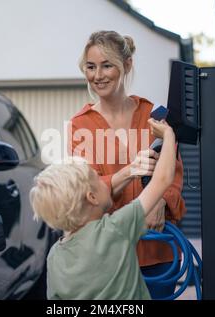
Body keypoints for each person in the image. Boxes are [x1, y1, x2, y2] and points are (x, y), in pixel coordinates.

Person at [68, 30, 187, 298]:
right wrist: (130, 171)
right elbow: (89, 191)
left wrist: (159, 200)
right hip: (108, 257)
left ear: (127, 65)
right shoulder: (80, 125)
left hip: (158, 252)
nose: (98, 75)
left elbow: (174, 173)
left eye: (107, 65)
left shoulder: (153, 115)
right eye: (91, 67)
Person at [30, 118, 176, 299]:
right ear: (92, 197)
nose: (104, 181)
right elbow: (163, 179)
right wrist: (168, 135)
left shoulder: (54, 256)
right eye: (97, 179)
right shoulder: (115, 228)